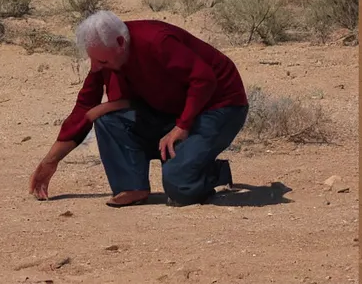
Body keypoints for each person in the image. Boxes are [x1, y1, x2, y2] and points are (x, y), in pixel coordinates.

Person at [31, 12, 248, 207]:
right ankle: (133, 186)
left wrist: (182, 126)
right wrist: (51, 160)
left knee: (180, 186)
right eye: (93, 61)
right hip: (172, 108)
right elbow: (85, 106)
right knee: (109, 120)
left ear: (120, 43)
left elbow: (204, 79)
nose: (96, 67)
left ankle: (210, 171)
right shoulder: (106, 55)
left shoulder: (157, 41)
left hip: (219, 107)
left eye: (101, 61)